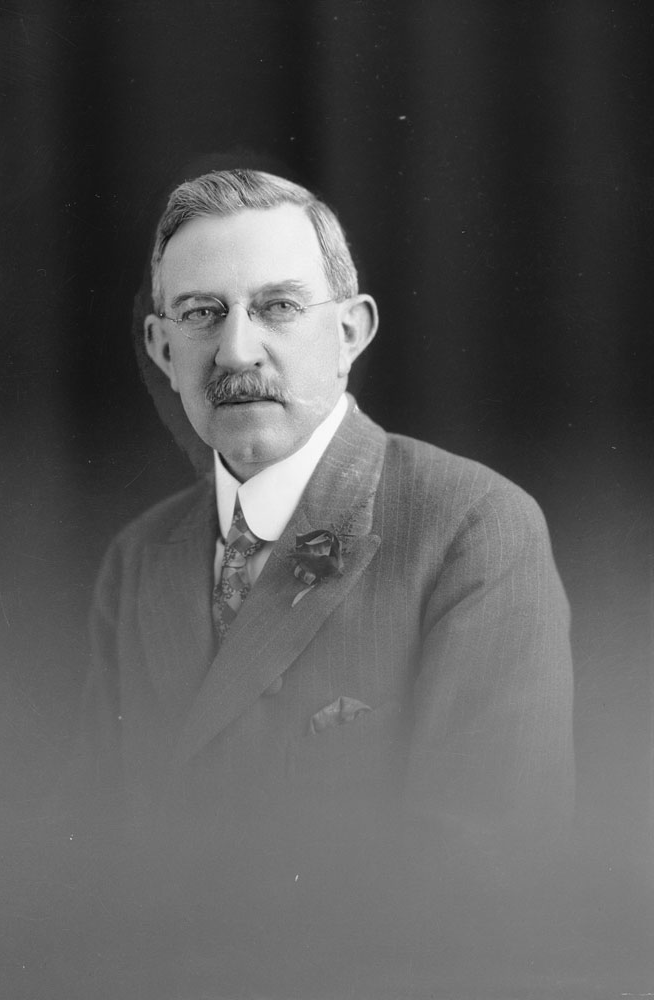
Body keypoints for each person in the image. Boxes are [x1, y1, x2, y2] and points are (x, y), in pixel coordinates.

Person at [82, 168, 574, 996]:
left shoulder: (470, 526)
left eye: (277, 306)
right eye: (203, 314)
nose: (236, 350)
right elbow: (84, 862)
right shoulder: (139, 560)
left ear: (351, 331)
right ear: (164, 350)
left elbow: (489, 884)